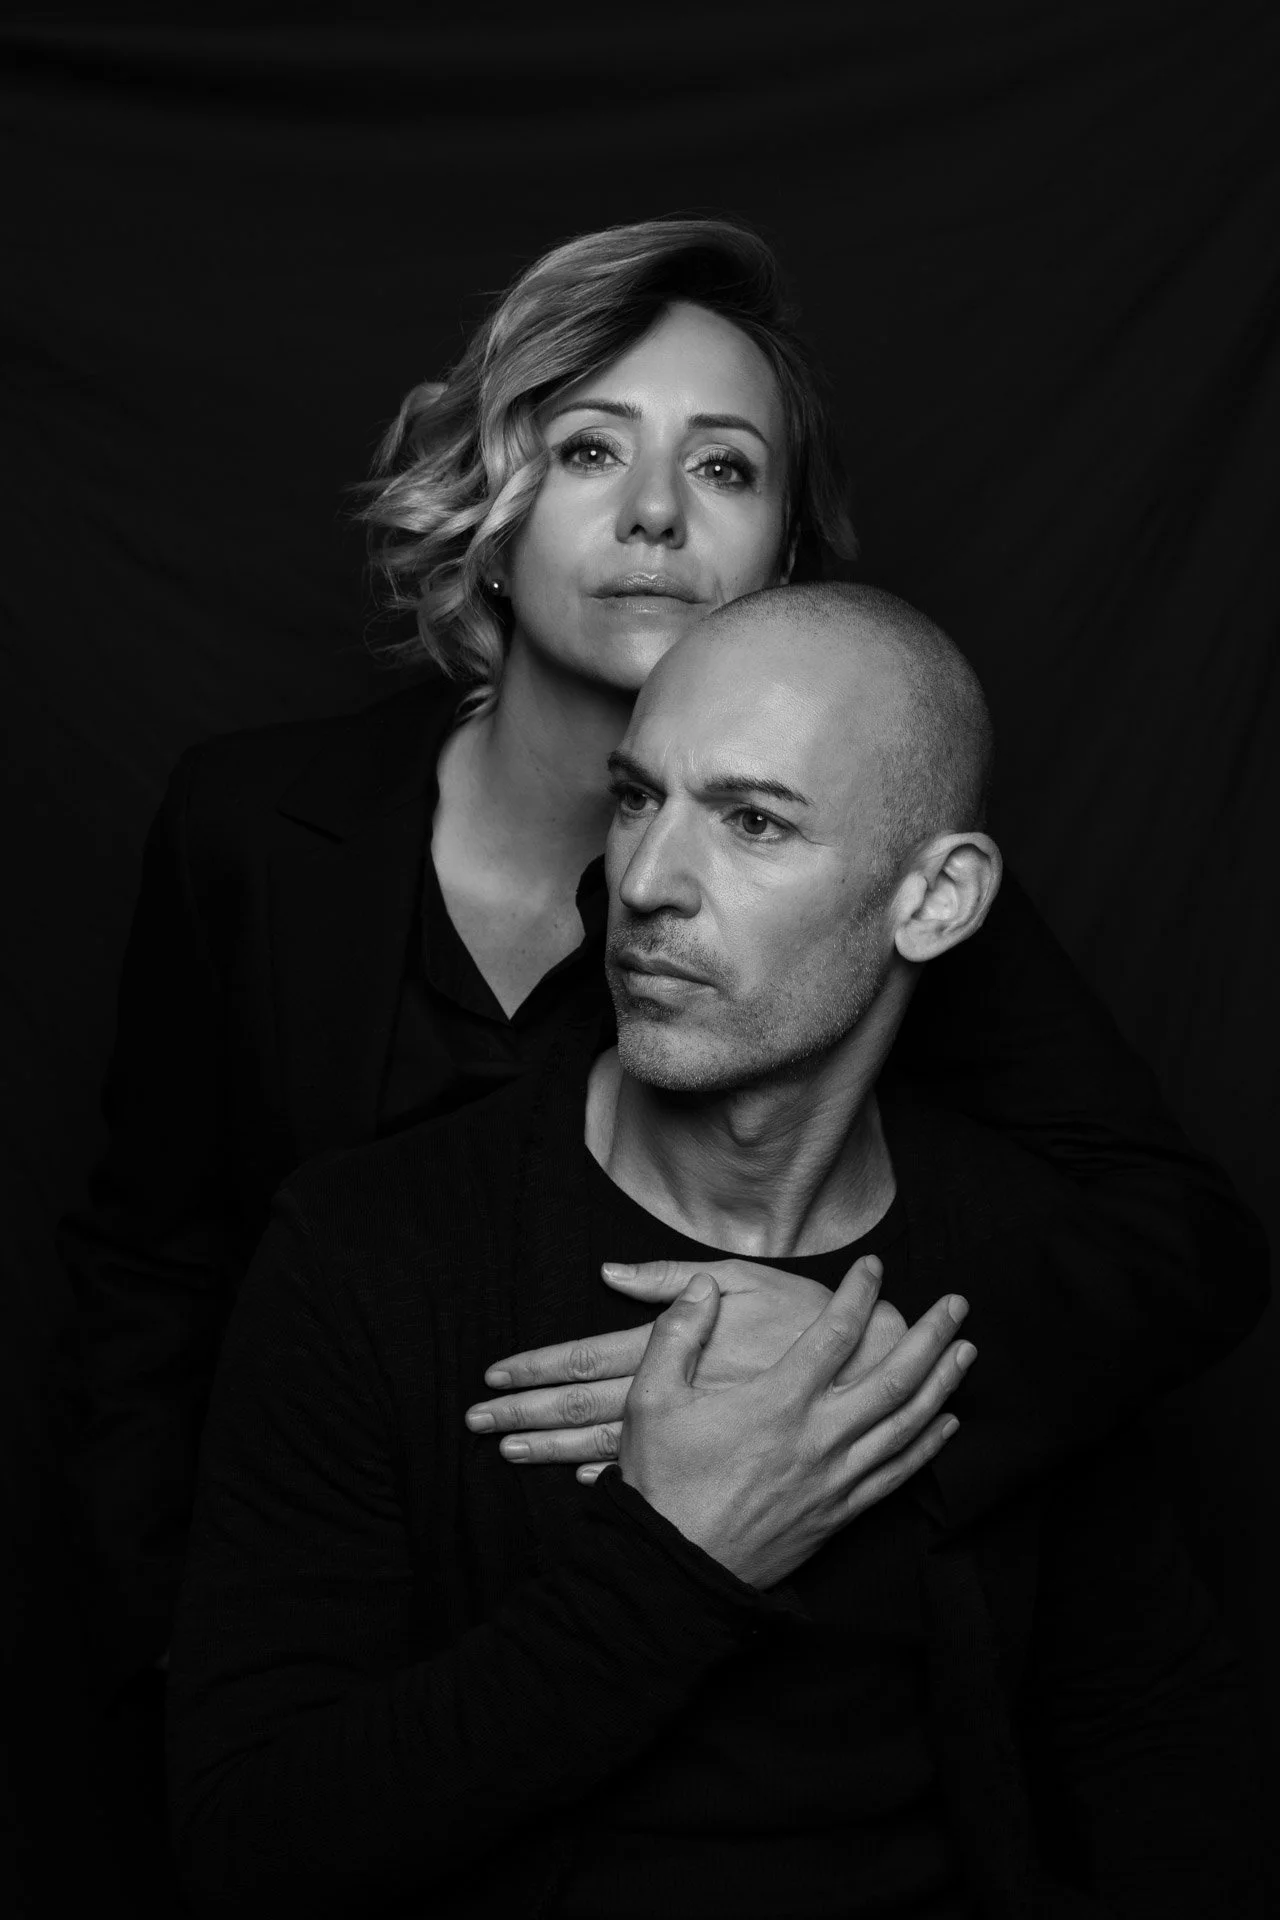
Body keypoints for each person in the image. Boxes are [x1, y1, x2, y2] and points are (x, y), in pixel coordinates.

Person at [62, 219, 1265, 1719]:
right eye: (589, 450)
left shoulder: (869, 889)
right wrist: (165, 1640)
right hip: (316, 1643)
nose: (652, 515)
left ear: (785, 554)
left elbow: (1178, 1241)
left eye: (724, 468)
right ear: (490, 500)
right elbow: (154, 1260)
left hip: (701, 1650)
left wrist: (877, 1368)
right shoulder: (251, 827)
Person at [168, 584, 1261, 1919]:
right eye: (637, 799)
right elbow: (248, 1844)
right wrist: (675, 1560)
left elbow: (1164, 1761)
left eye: (753, 823)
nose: (643, 883)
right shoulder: (372, 1250)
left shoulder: (1022, 1272)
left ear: (937, 899)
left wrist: (883, 1375)